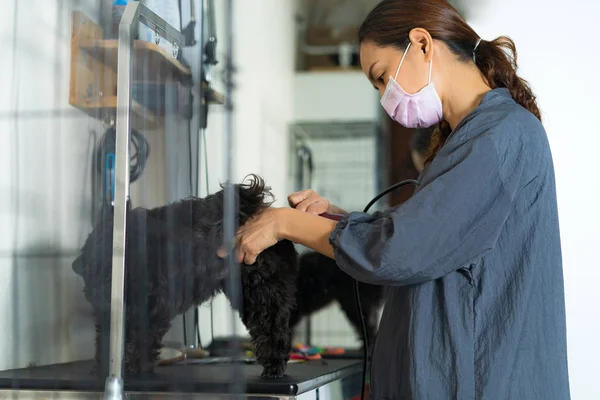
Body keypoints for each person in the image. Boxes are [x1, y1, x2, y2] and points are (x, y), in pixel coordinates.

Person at [219, 0, 571, 398]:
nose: (387, 97)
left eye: (383, 77)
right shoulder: (476, 138)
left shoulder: (498, 136)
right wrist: (334, 220)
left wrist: (287, 223)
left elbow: (404, 248)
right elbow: (435, 239)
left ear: (421, 43)